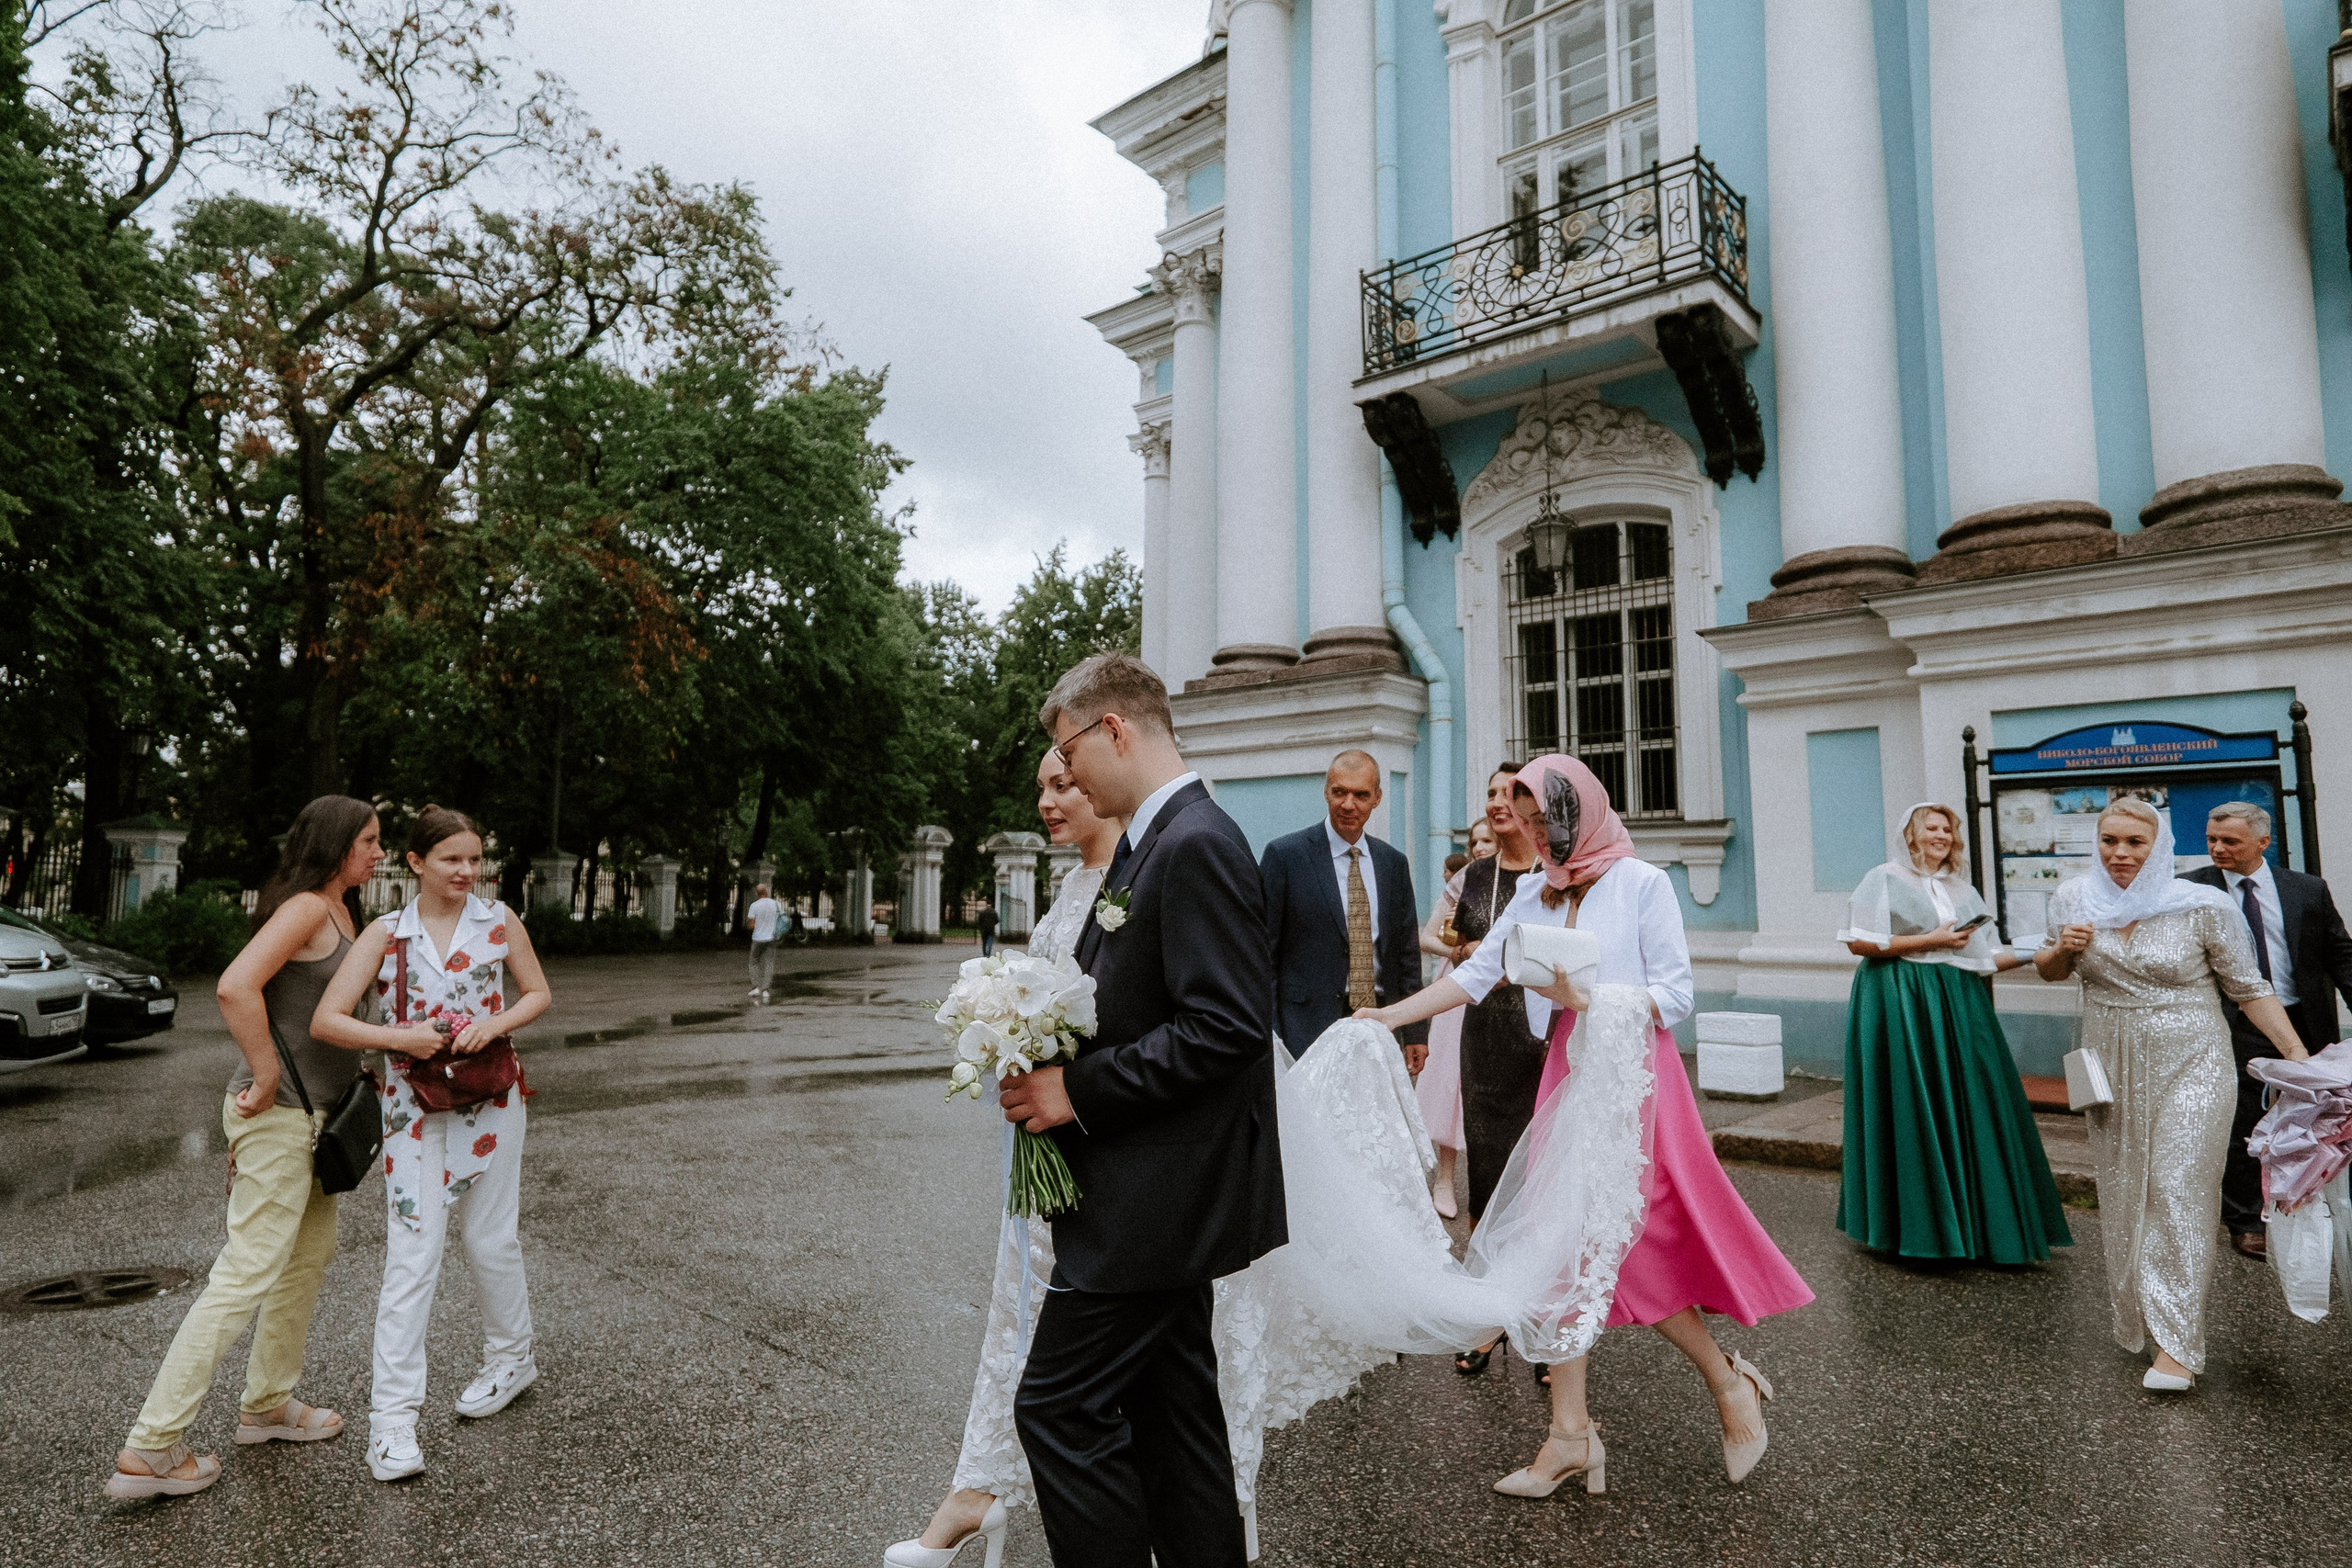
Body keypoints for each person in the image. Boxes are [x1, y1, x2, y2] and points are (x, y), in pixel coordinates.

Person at [1360, 755, 1814, 1494]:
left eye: (1548, 819)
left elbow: (1676, 995)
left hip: (1636, 1080)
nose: (1540, 834)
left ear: (1582, 811)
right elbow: (1475, 977)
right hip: (1566, 1073)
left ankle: (1727, 1379)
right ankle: (1570, 1434)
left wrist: (1590, 995)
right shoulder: (1534, 891)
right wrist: (1388, 1014)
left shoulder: (1643, 884)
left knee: (1637, 1248)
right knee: (1557, 1247)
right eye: (1529, 820)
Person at [1001, 652, 1286, 1568]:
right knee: (1175, 1421)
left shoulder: (1193, 841)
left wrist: (1070, 1089)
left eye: (1067, 751)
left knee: (1056, 1408)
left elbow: (1226, 1028)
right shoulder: (1152, 841)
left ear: (1112, 729)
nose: (1065, 774)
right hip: (1155, 1189)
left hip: (1153, 1202)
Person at [106, 797, 385, 1500]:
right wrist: (263, 1072)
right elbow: (235, 987)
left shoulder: (341, 910)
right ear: (336, 844)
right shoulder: (306, 909)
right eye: (370, 841)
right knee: (247, 1269)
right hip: (281, 1114)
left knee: (309, 1253)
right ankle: (153, 1444)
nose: (379, 853)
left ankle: (267, 1405)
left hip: (319, 1121)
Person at [891, 747, 1124, 1566]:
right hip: (1043, 1149)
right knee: (1014, 1301)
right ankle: (978, 1485)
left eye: (1064, 785)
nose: (1050, 802)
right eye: (1042, 789)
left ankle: (985, 1497)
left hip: (1104, 1155)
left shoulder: (1132, 888)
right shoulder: (1067, 888)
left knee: (1060, 1327)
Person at [2033, 795, 2306, 1391]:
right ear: (2096, 842)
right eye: (2110, 841)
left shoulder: (2202, 905)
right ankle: (2152, 1321)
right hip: (2112, 1064)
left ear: (2159, 846)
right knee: (2128, 1191)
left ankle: (2177, 1348)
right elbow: (2051, 970)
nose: (2121, 854)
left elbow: (2249, 986)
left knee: (2178, 1186)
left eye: (2136, 842)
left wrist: (2298, 1057)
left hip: (2194, 1059)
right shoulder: (2074, 899)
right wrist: (2063, 948)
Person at [312, 807, 553, 1478]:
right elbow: (328, 1018)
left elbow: (537, 993)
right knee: (412, 1255)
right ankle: (391, 1424)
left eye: (475, 859)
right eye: (452, 859)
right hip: (411, 1111)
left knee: (490, 1238)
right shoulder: (387, 933)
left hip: (493, 1100)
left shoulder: (499, 921)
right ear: (415, 862)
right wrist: (400, 1038)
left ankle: (512, 1358)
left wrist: (496, 1021)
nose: (467, 872)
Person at [1836, 803, 2072, 1264]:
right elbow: (1857, 941)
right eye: (1932, 827)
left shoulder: (1962, 890)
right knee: (1910, 1100)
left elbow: (1985, 957)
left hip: (1958, 998)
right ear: (1910, 834)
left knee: (1976, 1097)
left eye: (1948, 829)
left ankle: (1977, 1223)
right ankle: (1916, 1227)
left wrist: (2042, 949)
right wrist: (1931, 940)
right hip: (1898, 994)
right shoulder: (1882, 877)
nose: (1941, 835)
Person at [2183, 801, 2352, 1258]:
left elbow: (2339, 953)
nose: (2218, 848)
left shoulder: (2306, 890)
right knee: (2242, 1116)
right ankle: (2244, 1220)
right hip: (2233, 1021)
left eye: (2230, 841)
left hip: (2303, 1017)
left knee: (2320, 1116)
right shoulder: (2189, 890)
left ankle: (2313, 1202)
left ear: (2262, 842)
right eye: (2212, 840)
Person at [1260, 750, 1426, 1067]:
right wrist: (1272, 1033)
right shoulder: (1285, 856)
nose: (1349, 804)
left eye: (1361, 795)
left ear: (1377, 798)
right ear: (1326, 792)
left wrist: (1415, 1031)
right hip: (1303, 1030)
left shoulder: (1392, 864)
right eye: (1340, 792)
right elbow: (1262, 953)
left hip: (1378, 1024)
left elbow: (1406, 954)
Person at [1414, 833, 1488, 1221]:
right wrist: (1461, 952)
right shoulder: (1466, 880)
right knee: (1452, 1077)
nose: (1478, 847)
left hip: (1509, 986)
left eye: (1487, 840)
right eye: (1474, 840)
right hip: (1458, 984)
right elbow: (1426, 936)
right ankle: (1445, 1176)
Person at [744, 882, 783, 999]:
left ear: (757, 893)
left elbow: (751, 925)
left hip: (758, 938)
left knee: (753, 962)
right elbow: (781, 920)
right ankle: (766, 990)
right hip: (772, 937)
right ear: (767, 892)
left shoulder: (754, 906)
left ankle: (756, 987)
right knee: (769, 963)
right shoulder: (776, 904)